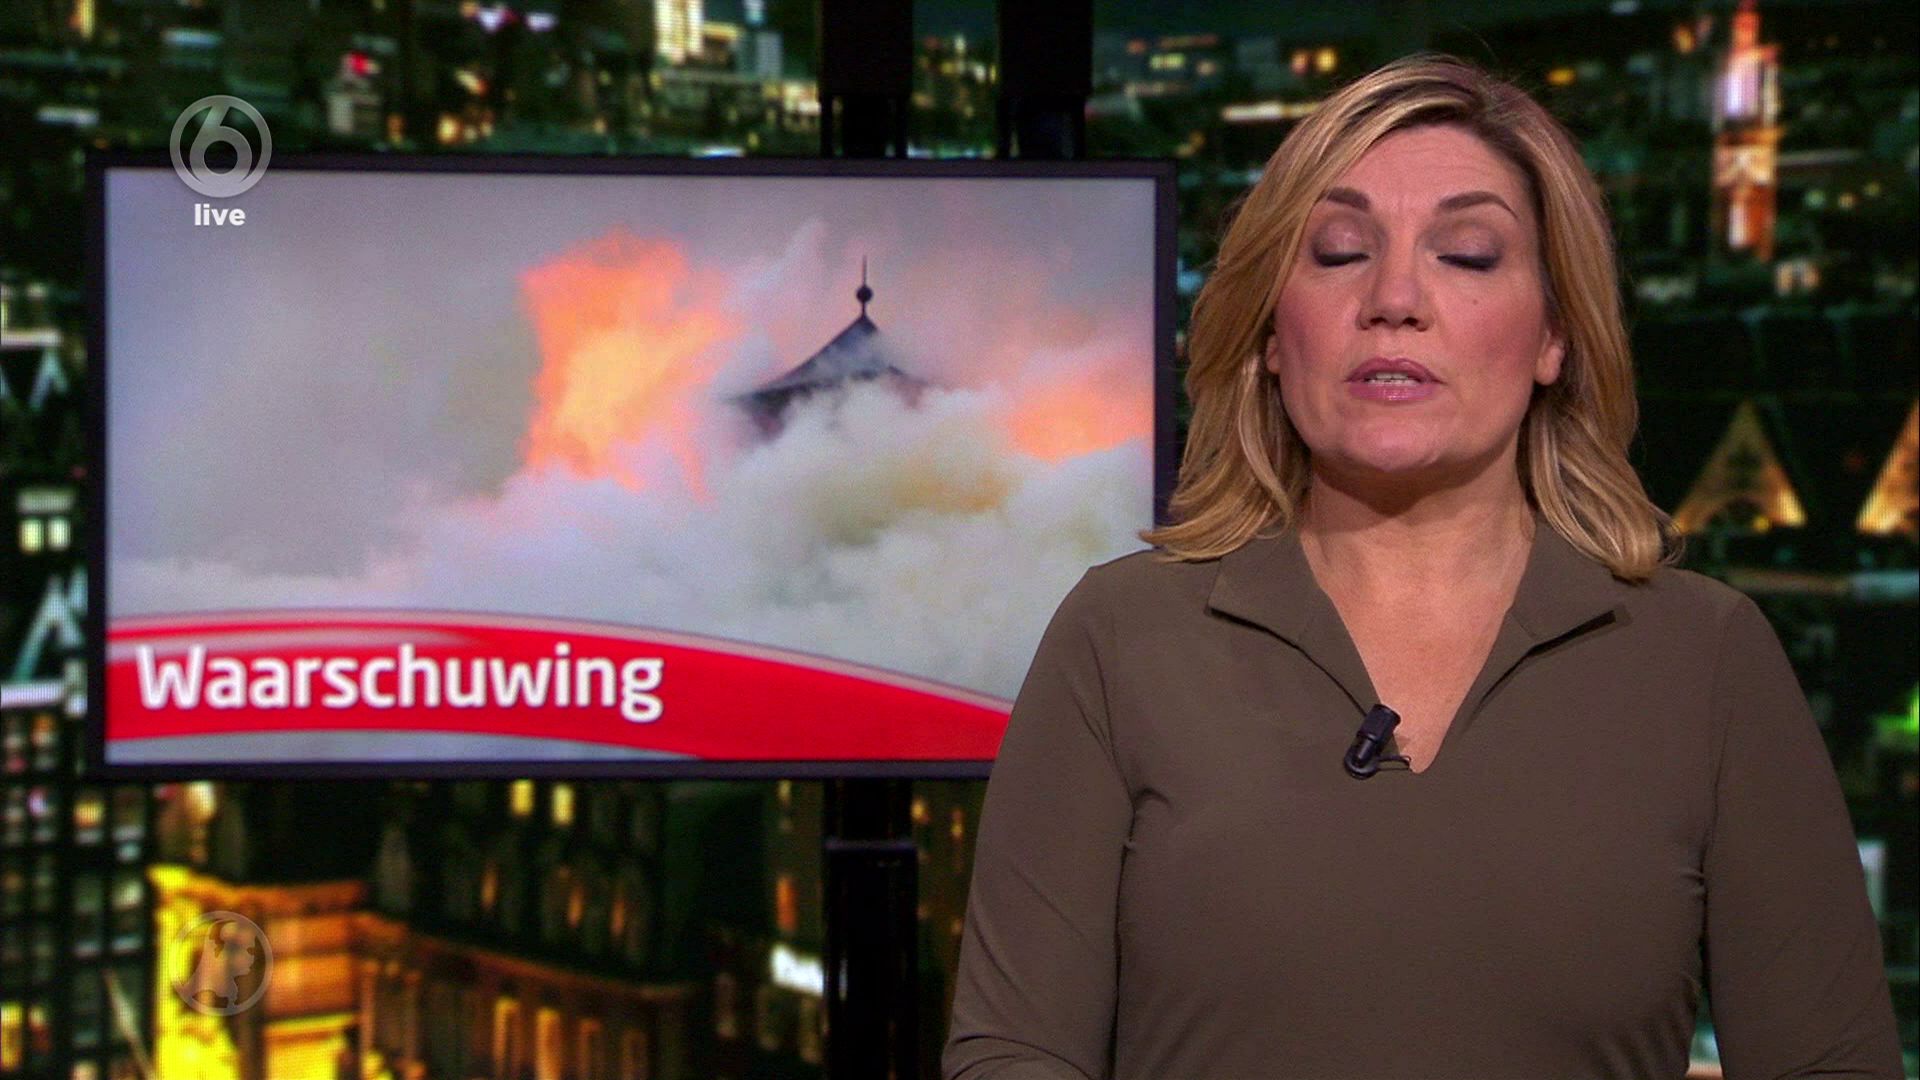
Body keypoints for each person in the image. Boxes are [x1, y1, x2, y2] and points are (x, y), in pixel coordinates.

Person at [943, 55, 1904, 1080]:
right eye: (1340, 251)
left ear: (1555, 336)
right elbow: (1014, 1053)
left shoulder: (1704, 658)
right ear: (1270, 334)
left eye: (1469, 255)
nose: (1393, 298)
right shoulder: (1121, 637)